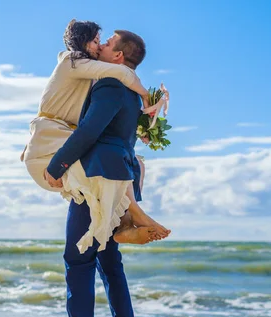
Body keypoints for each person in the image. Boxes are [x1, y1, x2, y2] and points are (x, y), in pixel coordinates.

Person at [21, 19, 170, 251]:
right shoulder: (72, 61)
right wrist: (145, 95)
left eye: (103, 43)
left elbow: (114, 102)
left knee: (135, 161)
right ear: (82, 42)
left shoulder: (94, 75)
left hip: (63, 134)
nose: (99, 47)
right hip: (48, 137)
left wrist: (143, 125)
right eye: (96, 41)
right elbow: (120, 73)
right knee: (107, 152)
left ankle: (124, 225)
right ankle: (134, 214)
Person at [46, 30, 149, 317]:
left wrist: (57, 165)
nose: (101, 45)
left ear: (118, 56)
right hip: (120, 175)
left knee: (77, 256)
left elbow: (90, 130)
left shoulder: (110, 83)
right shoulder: (131, 91)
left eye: (107, 43)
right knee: (107, 258)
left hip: (98, 178)